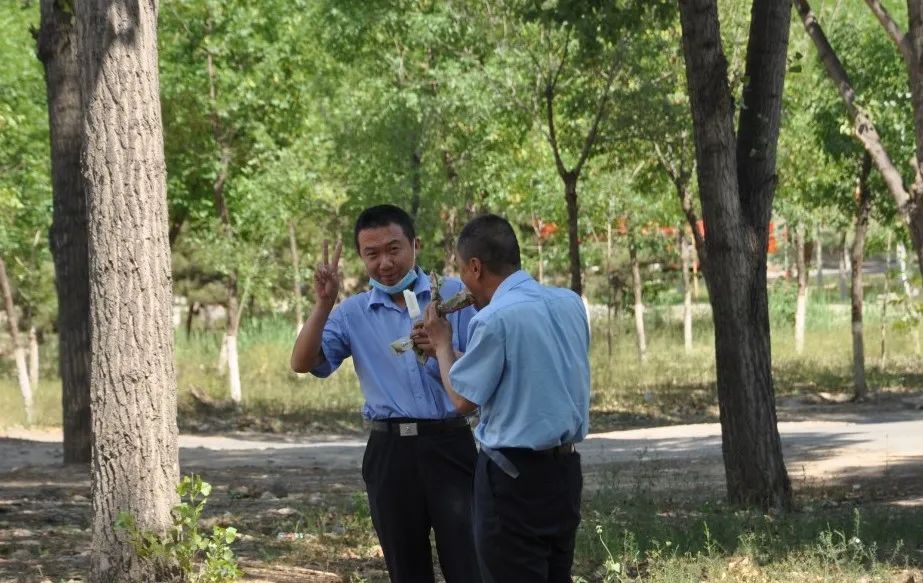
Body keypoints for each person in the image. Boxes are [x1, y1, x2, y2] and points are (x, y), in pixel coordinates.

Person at [290, 204, 481, 583]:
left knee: (469, 565)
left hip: (451, 446)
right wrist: (323, 304)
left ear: (415, 245)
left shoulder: (456, 297)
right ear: (361, 258)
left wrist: (442, 349)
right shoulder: (353, 313)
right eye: (372, 254)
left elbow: (482, 368)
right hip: (391, 453)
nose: (385, 263)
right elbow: (302, 362)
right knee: (406, 568)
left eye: (394, 249)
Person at [421, 213, 590, 583]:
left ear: (476, 267)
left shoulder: (494, 318)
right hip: (563, 471)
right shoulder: (569, 303)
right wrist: (445, 355)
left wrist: (443, 344)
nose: (463, 283)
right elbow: (519, 371)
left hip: (513, 478)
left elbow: (463, 400)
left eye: (462, 271)